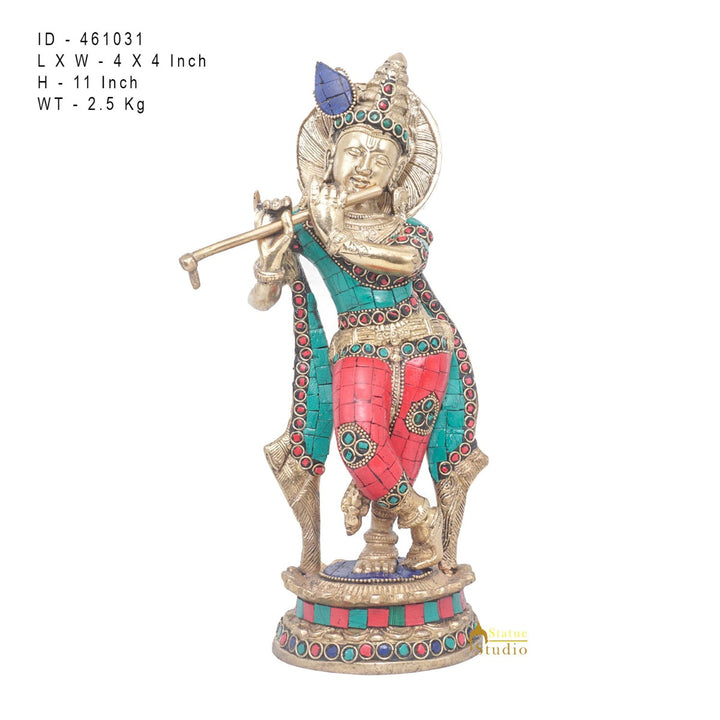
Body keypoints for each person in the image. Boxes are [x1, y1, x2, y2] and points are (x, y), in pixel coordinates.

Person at [249, 54, 486, 575]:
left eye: (380, 159)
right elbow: (262, 299)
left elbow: (405, 264)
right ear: (330, 157)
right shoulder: (308, 228)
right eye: (354, 151)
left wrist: (337, 235)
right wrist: (270, 251)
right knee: (358, 441)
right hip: (358, 346)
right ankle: (422, 518)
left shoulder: (408, 231)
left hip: (425, 344)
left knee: (403, 449)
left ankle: (383, 541)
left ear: (397, 172)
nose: (364, 167)